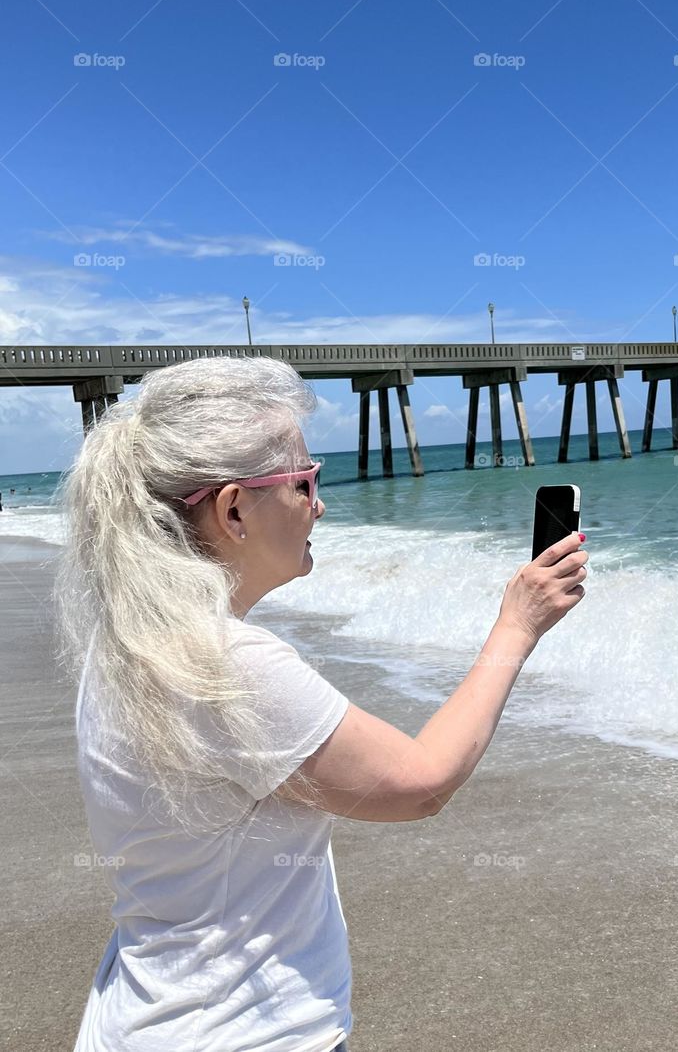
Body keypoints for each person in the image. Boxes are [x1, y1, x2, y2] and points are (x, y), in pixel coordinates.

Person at [54, 355, 588, 1052]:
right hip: (242, 1032)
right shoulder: (225, 664)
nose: (321, 503)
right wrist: (517, 627)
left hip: (142, 1018)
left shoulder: (126, 641)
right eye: (305, 482)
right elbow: (420, 783)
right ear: (234, 509)